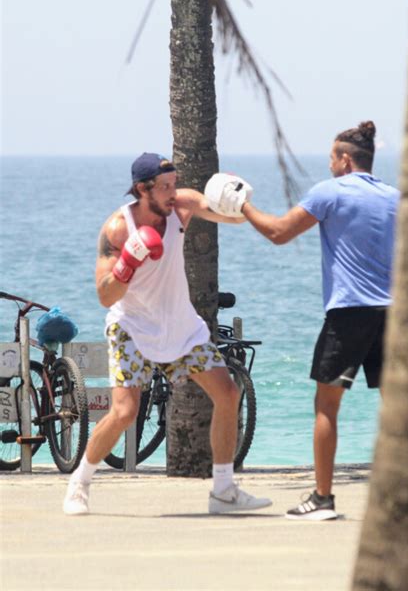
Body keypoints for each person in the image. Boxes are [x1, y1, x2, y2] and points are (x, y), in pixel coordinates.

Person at [207, 121, 399, 521]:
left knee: (326, 407)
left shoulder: (330, 192)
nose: (329, 165)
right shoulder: (394, 197)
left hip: (349, 313)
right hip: (395, 314)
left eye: (332, 158)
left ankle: (323, 499)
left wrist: (241, 205)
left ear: (345, 160)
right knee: (401, 408)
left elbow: (278, 233)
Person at [63, 152, 271, 516]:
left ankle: (223, 490)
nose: (173, 192)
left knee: (228, 393)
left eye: (175, 183)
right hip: (132, 326)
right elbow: (104, 295)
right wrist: (129, 261)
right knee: (125, 412)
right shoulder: (118, 227)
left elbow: (229, 216)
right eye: (164, 187)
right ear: (143, 189)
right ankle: (79, 482)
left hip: (181, 327)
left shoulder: (182, 206)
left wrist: (235, 197)